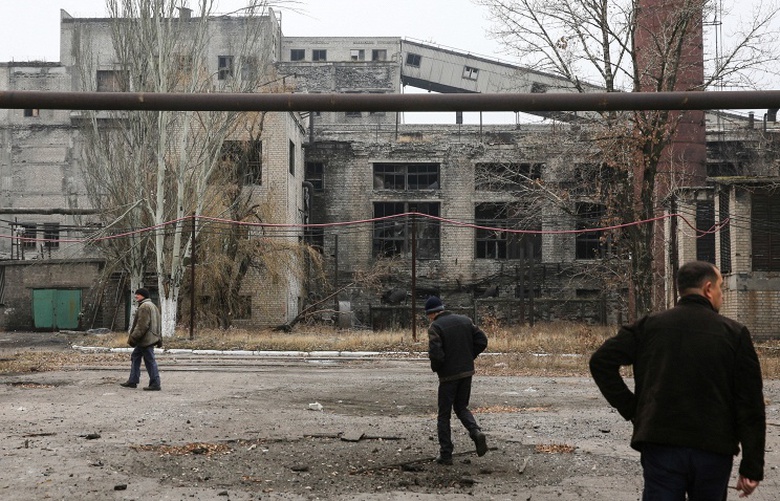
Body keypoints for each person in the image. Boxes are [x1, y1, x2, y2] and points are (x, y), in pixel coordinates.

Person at [590, 261, 765, 499]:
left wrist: (633, 409)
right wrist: (752, 467)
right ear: (708, 288)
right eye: (721, 288)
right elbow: (751, 404)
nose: (721, 296)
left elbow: (601, 362)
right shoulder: (733, 334)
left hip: (661, 443)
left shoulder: (649, 327)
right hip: (713, 449)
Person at [425, 295, 489, 465]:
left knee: (443, 415)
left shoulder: (435, 327)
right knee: (461, 407)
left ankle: (446, 454)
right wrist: (469, 356)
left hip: (448, 376)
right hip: (467, 372)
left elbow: (435, 354)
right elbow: (482, 340)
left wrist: (438, 367)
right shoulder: (465, 320)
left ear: (431, 313)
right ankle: (475, 432)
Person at [120, 288, 162, 391]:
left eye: (138, 294)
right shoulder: (153, 306)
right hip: (150, 338)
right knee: (136, 356)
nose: (136, 296)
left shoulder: (144, 306)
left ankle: (155, 383)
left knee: (149, 360)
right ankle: (132, 381)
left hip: (145, 339)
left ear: (143, 296)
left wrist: (133, 338)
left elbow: (142, 325)